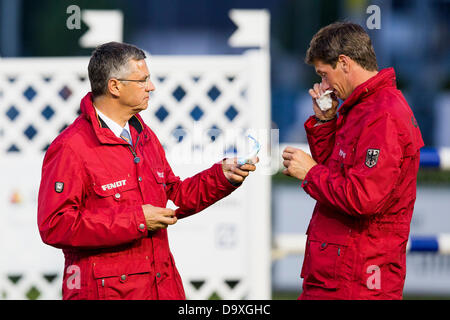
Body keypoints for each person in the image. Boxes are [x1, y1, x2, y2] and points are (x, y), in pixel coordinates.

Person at [37, 42, 257, 300]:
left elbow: (176, 196)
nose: (151, 87)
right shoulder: (71, 147)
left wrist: (221, 176)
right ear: (115, 86)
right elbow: (55, 225)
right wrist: (137, 220)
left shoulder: (144, 135)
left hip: (161, 288)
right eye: (142, 80)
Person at [282, 22, 424, 300]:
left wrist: (310, 173)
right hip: (340, 271)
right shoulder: (364, 107)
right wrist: (325, 122)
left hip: (357, 276)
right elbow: (337, 175)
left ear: (344, 62)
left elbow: (362, 197)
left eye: (324, 75)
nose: (323, 86)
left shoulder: (382, 114)